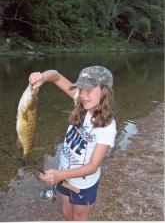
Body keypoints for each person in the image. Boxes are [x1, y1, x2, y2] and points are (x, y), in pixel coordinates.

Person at [29, 66, 117, 221]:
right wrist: (42, 77)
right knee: (66, 213)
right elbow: (55, 76)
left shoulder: (107, 127)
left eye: (88, 90)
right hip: (64, 175)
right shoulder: (81, 102)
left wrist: (59, 175)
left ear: (105, 92)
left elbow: (93, 166)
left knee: (78, 217)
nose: (83, 95)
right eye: (81, 89)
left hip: (83, 183)